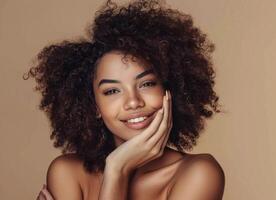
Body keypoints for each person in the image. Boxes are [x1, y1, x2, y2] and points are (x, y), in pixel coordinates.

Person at [26, 0, 225, 199]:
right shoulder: (68, 173)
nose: (133, 102)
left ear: (168, 89)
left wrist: (116, 170)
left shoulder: (199, 173)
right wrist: (116, 170)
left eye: (146, 84)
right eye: (112, 91)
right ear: (94, 105)